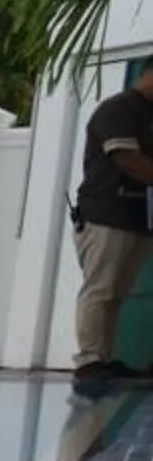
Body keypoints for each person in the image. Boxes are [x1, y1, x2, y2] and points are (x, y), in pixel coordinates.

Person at [73, 53, 153, 384]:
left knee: (118, 292)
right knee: (101, 289)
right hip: (107, 214)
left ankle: (105, 358)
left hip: (137, 218)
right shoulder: (118, 109)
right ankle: (89, 361)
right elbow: (127, 159)